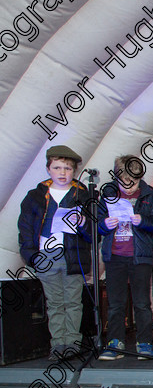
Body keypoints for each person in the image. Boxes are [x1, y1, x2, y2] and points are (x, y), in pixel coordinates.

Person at [18, 146, 92, 359]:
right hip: (46, 256)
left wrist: (84, 223)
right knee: (55, 302)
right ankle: (58, 344)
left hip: (72, 254)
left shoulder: (83, 195)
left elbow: (93, 234)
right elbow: (25, 228)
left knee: (73, 301)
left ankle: (72, 344)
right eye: (57, 167)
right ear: (48, 169)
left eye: (67, 168)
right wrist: (33, 256)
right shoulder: (35, 196)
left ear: (74, 171)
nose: (62, 172)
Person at [98, 156, 153, 360]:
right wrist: (104, 225)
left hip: (140, 256)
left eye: (133, 183)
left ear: (140, 178)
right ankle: (114, 342)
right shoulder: (108, 194)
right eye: (123, 182)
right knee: (116, 303)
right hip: (115, 255)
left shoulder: (149, 195)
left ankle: (144, 342)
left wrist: (142, 221)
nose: (128, 188)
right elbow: (97, 222)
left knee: (142, 302)